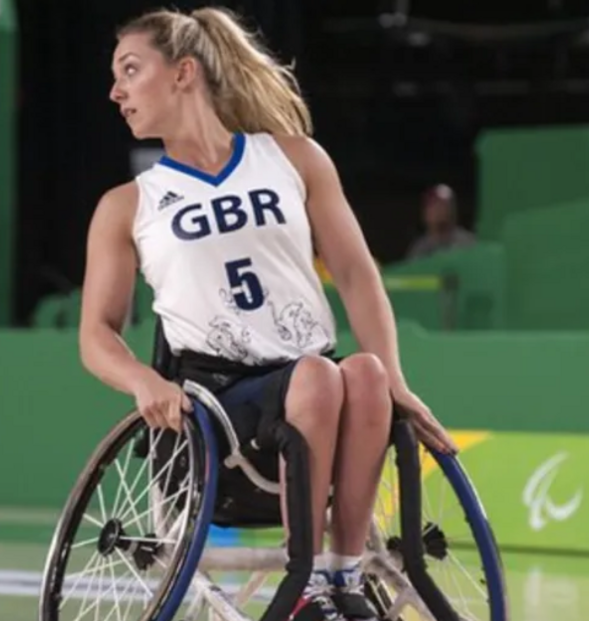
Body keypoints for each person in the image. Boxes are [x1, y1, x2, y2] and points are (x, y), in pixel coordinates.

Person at [80, 7, 457, 621]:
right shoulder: (127, 206)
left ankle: (340, 575)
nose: (115, 92)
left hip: (320, 389)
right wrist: (143, 381)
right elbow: (96, 335)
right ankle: (303, 579)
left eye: (129, 70)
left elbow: (359, 275)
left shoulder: (293, 159)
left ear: (183, 73)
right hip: (217, 411)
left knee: (363, 374)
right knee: (320, 375)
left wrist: (397, 380)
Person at [406, 184, 476, 259]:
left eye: (441, 205)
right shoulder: (420, 247)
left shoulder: (466, 241)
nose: (437, 210)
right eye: (431, 205)